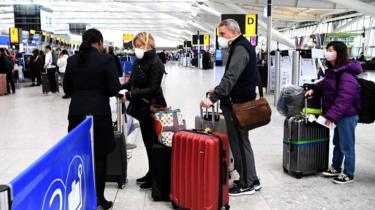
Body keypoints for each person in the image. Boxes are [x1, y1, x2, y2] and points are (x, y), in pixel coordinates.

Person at [200, 19, 261, 196]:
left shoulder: (240, 48)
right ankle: (252, 179)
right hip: (239, 101)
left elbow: (232, 76)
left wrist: (213, 98)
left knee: (240, 144)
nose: (220, 38)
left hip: (237, 105)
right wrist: (218, 88)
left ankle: (247, 183)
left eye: (222, 34)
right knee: (242, 142)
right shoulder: (240, 46)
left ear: (233, 32)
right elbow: (235, 77)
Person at [63, 28, 122, 209]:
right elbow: (114, 89)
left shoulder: (72, 60)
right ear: (99, 42)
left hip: (77, 113)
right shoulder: (106, 59)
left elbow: (67, 89)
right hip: (99, 113)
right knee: (100, 156)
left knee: (80, 155)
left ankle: (81, 196)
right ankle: (99, 199)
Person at [305, 41, 362, 184]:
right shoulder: (334, 71)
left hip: (347, 115)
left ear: (340, 53)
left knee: (347, 145)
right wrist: (314, 89)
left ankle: (349, 173)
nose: (328, 52)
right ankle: (336, 167)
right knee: (337, 142)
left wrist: (331, 115)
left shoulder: (346, 74)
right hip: (339, 115)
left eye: (331, 50)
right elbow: (325, 83)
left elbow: (344, 99)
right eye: (328, 49)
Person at [121, 32, 167, 190]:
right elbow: (132, 82)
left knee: (152, 142)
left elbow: (153, 88)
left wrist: (132, 94)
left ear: (148, 44)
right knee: (148, 143)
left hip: (153, 107)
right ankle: (151, 172)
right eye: (135, 45)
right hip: (142, 107)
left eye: (139, 45)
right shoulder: (138, 61)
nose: (136, 48)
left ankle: (155, 176)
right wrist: (119, 88)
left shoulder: (156, 62)